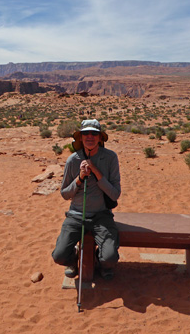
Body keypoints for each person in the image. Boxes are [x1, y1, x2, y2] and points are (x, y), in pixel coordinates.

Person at [52, 119, 121, 280]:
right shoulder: (73, 160)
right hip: (76, 214)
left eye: (94, 133)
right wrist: (80, 178)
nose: (90, 137)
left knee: (110, 258)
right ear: (80, 137)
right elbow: (65, 194)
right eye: (86, 133)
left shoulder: (110, 158)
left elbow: (115, 194)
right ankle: (73, 257)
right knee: (59, 256)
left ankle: (101, 260)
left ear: (100, 138)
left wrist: (96, 172)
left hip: (102, 215)